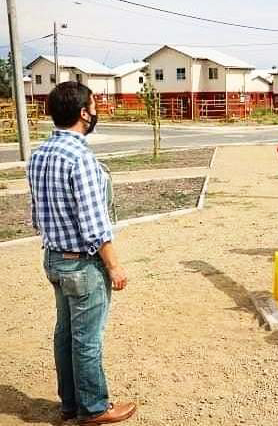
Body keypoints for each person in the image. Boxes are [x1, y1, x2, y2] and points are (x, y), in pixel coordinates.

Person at [27, 82, 137, 424]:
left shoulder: (40, 154)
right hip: (82, 264)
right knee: (87, 339)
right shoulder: (81, 158)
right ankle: (93, 408)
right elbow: (94, 223)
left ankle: (70, 403)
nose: (95, 111)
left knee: (65, 333)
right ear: (83, 113)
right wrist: (114, 266)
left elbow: (36, 215)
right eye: (93, 106)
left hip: (54, 258)